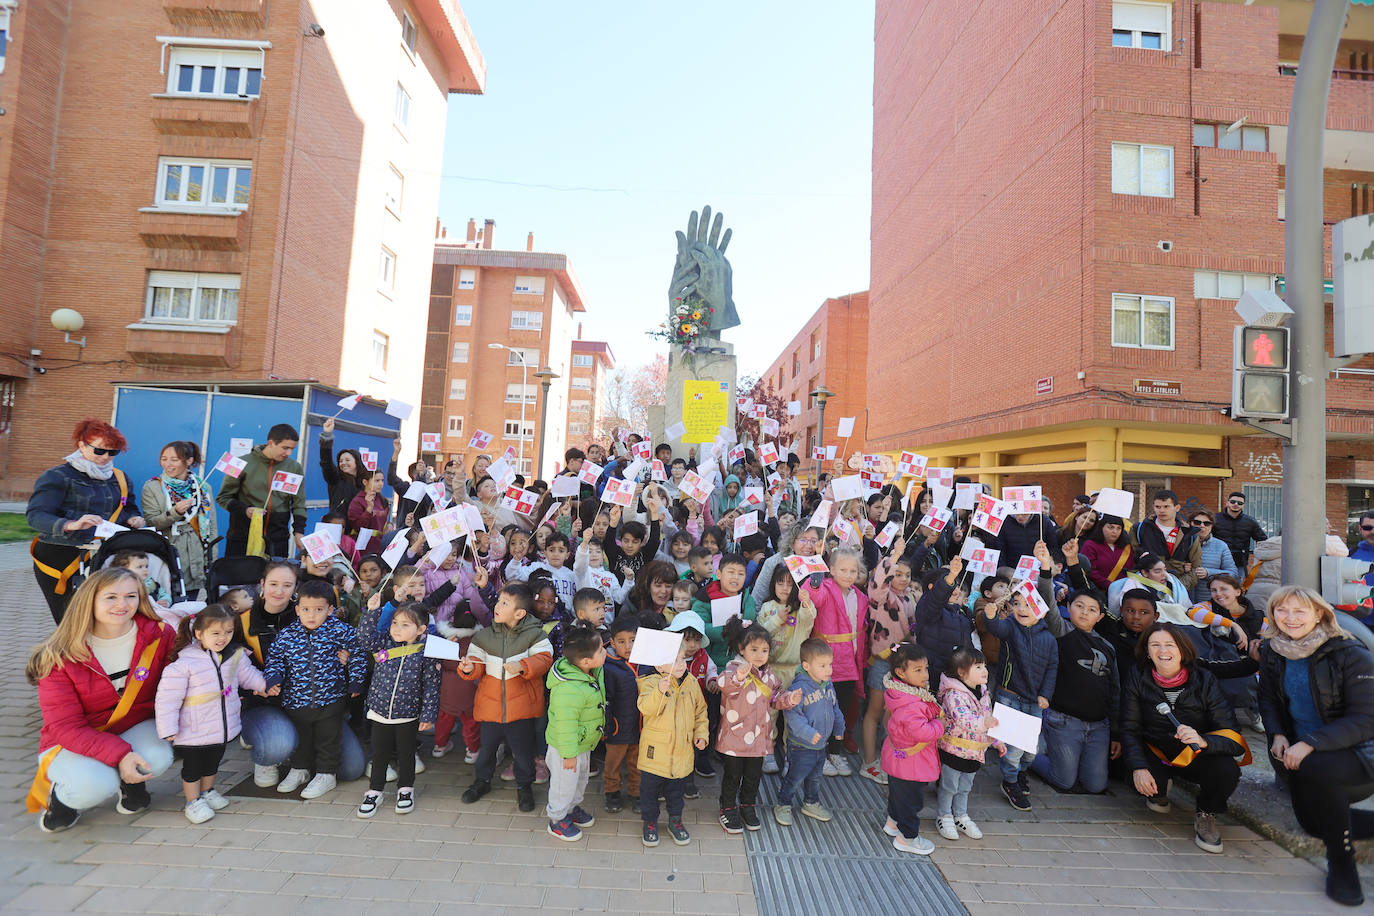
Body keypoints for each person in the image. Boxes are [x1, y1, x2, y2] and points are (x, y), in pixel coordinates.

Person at [25, 568, 175, 832]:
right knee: (95, 785)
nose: (122, 605)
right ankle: (62, 799)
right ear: (89, 600)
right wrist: (121, 754)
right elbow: (65, 727)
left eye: (131, 596)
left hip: (132, 724)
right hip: (73, 738)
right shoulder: (58, 654)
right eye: (110, 597)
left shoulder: (159, 635)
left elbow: (178, 681)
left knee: (158, 757)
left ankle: (130, 784)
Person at [1257, 585, 1374, 907]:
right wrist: (1279, 734)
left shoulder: (1350, 653)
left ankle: (1342, 862)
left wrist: (1309, 743)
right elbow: (1267, 698)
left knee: (1319, 770)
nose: (1290, 618)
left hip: (1360, 753)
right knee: (1312, 822)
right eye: (1282, 610)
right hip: (1304, 754)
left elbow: (1367, 719)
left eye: (1300, 611)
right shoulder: (1273, 650)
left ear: (1320, 614)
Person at [1121, 622, 1248, 855]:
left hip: (1193, 753)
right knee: (1139, 779)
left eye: (1170, 645)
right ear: (1146, 651)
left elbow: (1232, 735)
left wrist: (1203, 740)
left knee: (1227, 770)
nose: (1163, 651)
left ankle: (1207, 812)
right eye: (1155, 645)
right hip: (1156, 749)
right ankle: (1161, 788)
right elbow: (1129, 728)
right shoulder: (1137, 676)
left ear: (1183, 649)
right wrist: (1139, 767)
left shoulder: (1205, 680)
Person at [154, 603, 272, 824]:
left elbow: (248, 675)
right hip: (193, 728)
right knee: (192, 767)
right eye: (215, 633)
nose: (223, 638)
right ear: (199, 633)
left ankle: (207, 791)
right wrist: (168, 728)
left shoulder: (234, 655)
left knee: (213, 761)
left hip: (221, 724)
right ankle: (192, 800)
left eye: (228, 632)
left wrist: (266, 685)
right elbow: (167, 699)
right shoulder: (184, 664)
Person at [27, 419, 146, 624]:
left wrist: (135, 518)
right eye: (99, 451)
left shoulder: (120, 477)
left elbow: (129, 507)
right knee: (71, 622)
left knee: (101, 621)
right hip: (61, 557)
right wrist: (70, 524)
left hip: (104, 554)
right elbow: (36, 516)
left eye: (112, 452)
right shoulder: (58, 476)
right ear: (81, 445)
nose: (106, 457)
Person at [263, 579, 364, 800]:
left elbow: (357, 654)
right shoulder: (287, 635)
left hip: (331, 699)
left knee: (328, 738)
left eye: (319, 610)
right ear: (297, 609)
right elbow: (275, 658)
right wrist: (273, 678)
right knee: (302, 738)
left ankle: (326, 774)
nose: (311, 615)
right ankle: (300, 769)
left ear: (330, 610)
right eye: (306, 609)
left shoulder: (341, 631)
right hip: (296, 700)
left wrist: (356, 681)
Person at [459, 583, 553, 813]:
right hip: (490, 707)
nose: (497, 607)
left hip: (522, 708)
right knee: (487, 749)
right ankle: (482, 781)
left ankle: (524, 786)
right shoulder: (483, 636)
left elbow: (545, 659)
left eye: (504, 603)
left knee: (522, 752)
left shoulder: (535, 634)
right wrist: (469, 667)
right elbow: (476, 664)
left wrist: (523, 665)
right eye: (498, 601)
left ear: (520, 613)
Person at [355, 598, 440, 818]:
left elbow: (432, 685)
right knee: (379, 754)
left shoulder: (427, 652)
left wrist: (428, 713)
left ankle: (405, 789)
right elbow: (364, 637)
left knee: (406, 754)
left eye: (405, 625)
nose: (397, 629)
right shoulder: (384, 642)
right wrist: (373, 612)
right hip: (379, 711)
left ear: (421, 629)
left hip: (408, 715)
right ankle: (374, 790)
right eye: (395, 623)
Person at [716, 618, 800, 834]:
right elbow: (723, 685)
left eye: (764, 650)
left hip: (759, 738)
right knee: (732, 776)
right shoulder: (732, 669)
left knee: (753, 776)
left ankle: (747, 806)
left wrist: (789, 699)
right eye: (754, 649)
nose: (760, 654)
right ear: (741, 649)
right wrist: (740, 676)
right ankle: (727, 808)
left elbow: (776, 697)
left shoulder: (769, 674)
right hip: (734, 738)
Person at [1032, 587, 1119, 794]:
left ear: (1100, 616)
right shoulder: (1062, 631)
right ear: (1069, 607)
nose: (1084, 612)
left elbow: (1115, 691)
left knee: (1096, 786)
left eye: (1091, 609)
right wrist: (1046, 569)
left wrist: (1116, 732)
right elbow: (1049, 605)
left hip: (1099, 726)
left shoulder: (1107, 646)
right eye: (1079, 606)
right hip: (1063, 720)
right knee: (1063, 781)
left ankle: (1070, 760)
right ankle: (1025, 754)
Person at [981, 582, 1057, 812]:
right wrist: (991, 616)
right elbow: (997, 628)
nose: (1021, 609)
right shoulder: (1011, 627)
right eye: (1017, 604)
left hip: (1035, 701)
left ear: (1042, 611)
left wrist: (1046, 694)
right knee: (1012, 750)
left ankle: (1021, 773)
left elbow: (1052, 668)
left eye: (1028, 604)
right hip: (1009, 696)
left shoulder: (1049, 639)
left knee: (1030, 749)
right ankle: (1010, 781)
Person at [636, 621, 709, 848]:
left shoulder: (691, 683)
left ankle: (675, 821)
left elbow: (701, 711)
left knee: (676, 793)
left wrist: (702, 734)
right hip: (654, 753)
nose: (681, 664)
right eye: (674, 660)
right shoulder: (649, 683)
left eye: (682, 659)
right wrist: (660, 691)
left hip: (681, 752)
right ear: (659, 666)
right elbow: (645, 708)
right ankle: (650, 822)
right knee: (649, 792)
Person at [801, 546, 869, 777]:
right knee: (820, 709)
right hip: (825, 659)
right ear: (831, 569)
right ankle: (819, 753)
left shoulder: (860, 597)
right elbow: (813, 598)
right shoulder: (827, 588)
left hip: (849, 661)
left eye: (853, 570)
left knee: (840, 709)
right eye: (843, 569)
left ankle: (836, 751)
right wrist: (814, 581)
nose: (849, 575)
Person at [543, 623, 607, 841]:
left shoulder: (591, 670)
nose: (605, 651)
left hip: (583, 743)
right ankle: (557, 819)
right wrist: (569, 754)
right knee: (563, 785)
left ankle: (571, 809)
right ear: (586, 661)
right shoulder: (568, 689)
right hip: (566, 749)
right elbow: (565, 724)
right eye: (601, 650)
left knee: (580, 781)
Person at [879, 642, 943, 856]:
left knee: (898, 795)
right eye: (918, 670)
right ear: (900, 673)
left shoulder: (898, 693)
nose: (925, 674)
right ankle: (907, 838)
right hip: (912, 764)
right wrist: (940, 725)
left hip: (898, 758)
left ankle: (893, 822)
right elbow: (922, 732)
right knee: (911, 802)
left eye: (925, 668)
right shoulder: (912, 703)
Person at [775, 638, 845, 827]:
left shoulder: (828, 685)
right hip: (801, 745)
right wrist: (808, 733)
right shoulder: (799, 688)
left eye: (830, 664)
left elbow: (834, 708)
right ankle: (783, 803)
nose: (828, 670)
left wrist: (839, 728)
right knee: (795, 777)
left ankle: (811, 802)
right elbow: (793, 716)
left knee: (815, 777)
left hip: (821, 744)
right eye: (822, 665)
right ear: (806, 666)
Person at [935, 646, 1002, 841]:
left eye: (985, 666)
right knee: (949, 786)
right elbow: (963, 720)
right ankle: (944, 815)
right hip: (954, 750)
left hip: (975, 751)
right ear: (961, 673)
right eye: (978, 667)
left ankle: (960, 815)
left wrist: (996, 740)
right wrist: (985, 723)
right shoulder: (953, 695)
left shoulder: (983, 692)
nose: (985, 671)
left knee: (965, 786)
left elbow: (988, 718)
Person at [216, 423, 307, 559]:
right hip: (242, 536)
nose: (289, 453)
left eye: (292, 449)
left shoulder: (294, 467)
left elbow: (299, 503)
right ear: (271, 443)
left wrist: (299, 531)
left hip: (277, 539)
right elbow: (223, 498)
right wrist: (244, 510)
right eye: (285, 448)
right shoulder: (239, 463)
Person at [142, 440, 216, 598]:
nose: (167, 464)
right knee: (165, 601)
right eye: (164, 459)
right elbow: (151, 522)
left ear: (188, 461)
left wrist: (211, 559)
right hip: (168, 552)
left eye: (174, 460)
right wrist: (175, 512)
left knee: (190, 604)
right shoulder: (153, 487)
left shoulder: (203, 488)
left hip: (195, 556)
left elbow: (211, 527)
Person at [602, 617, 641, 813]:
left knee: (637, 763)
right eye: (621, 641)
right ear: (612, 641)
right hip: (617, 726)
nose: (628, 646)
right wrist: (607, 727)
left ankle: (636, 793)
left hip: (641, 726)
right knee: (613, 763)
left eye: (633, 640)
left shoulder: (646, 662)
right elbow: (605, 700)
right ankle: (612, 793)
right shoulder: (608, 666)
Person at [1130, 490, 1201, 593]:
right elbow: (1132, 559)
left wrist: (1177, 587)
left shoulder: (1189, 533)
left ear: (1177, 508)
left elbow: (1196, 568)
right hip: (1145, 588)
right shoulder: (1139, 529)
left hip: (1178, 589)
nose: (1161, 510)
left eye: (1166, 506)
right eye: (1158, 507)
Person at [1187, 510, 1239, 603]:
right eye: (1197, 522)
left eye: (1207, 523)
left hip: (1210, 601)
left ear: (1212, 526)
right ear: (1190, 523)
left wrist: (1208, 573)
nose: (1202, 526)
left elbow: (1233, 573)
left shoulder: (1221, 546)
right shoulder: (1181, 543)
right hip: (1183, 600)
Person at [317, 418, 365, 517]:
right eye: (340, 461)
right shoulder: (336, 479)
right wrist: (327, 436)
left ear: (357, 462)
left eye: (347, 460)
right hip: (338, 525)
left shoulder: (366, 482)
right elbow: (326, 462)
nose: (343, 463)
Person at [1213, 491, 1268, 572]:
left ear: (1243, 506)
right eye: (1232, 502)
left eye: (1240, 503)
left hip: (1240, 563)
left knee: (1238, 584)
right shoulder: (1215, 519)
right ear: (1227, 503)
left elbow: (1262, 540)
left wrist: (1257, 555)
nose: (1236, 504)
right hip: (1217, 562)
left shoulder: (1250, 521)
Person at [1080, 514, 1134, 592]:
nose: (1114, 531)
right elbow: (1091, 572)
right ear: (1101, 527)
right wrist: (1111, 586)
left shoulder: (1127, 548)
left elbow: (1132, 570)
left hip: (1124, 591)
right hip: (1098, 592)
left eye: (1118, 528)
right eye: (1111, 527)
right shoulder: (1090, 545)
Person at [347, 470, 390, 547]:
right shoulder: (357, 501)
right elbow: (358, 527)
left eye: (382, 480)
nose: (381, 484)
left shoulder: (383, 500)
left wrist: (389, 526)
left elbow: (383, 522)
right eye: (377, 481)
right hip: (363, 545)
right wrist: (369, 509)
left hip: (380, 543)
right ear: (365, 482)